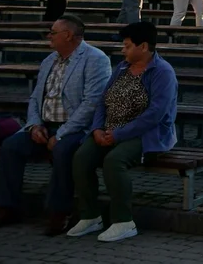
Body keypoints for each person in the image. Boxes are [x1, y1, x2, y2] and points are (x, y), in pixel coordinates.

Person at [0, 14, 111, 235]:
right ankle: (5, 208)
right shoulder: (49, 60)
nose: (49, 36)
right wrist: (34, 125)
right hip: (45, 124)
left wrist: (61, 134)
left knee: (62, 149)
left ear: (68, 35)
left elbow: (91, 104)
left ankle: (59, 211)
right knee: (11, 146)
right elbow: (35, 99)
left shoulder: (96, 59)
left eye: (53, 32)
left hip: (76, 128)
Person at [68, 21, 177, 243]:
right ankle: (90, 216)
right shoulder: (121, 68)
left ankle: (123, 221)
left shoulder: (162, 72)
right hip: (109, 130)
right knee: (81, 158)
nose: (123, 50)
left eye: (127, 46)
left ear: (143, 46)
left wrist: (119, 135)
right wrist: (97, 129)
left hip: (145, 135)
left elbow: (155, 114)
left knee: (114, 161)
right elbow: (102, 102)